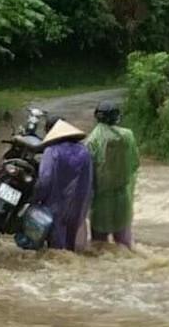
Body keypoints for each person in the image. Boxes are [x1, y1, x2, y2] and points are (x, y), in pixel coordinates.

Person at [32, 119, 93, 251]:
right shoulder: (85, 151)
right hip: (79, 204)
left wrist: (36, 199)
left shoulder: (51, 151)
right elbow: (89, 179)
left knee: (56, 245)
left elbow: (45, 179)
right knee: (71, 241)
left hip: (56, 204)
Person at [86, 101, 139, 249]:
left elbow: (87, 171)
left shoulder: (92, 140)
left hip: (100, 201)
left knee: (99, 246)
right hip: (123, 198)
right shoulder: (128, 136)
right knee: (124, 243)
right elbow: (135, 163)